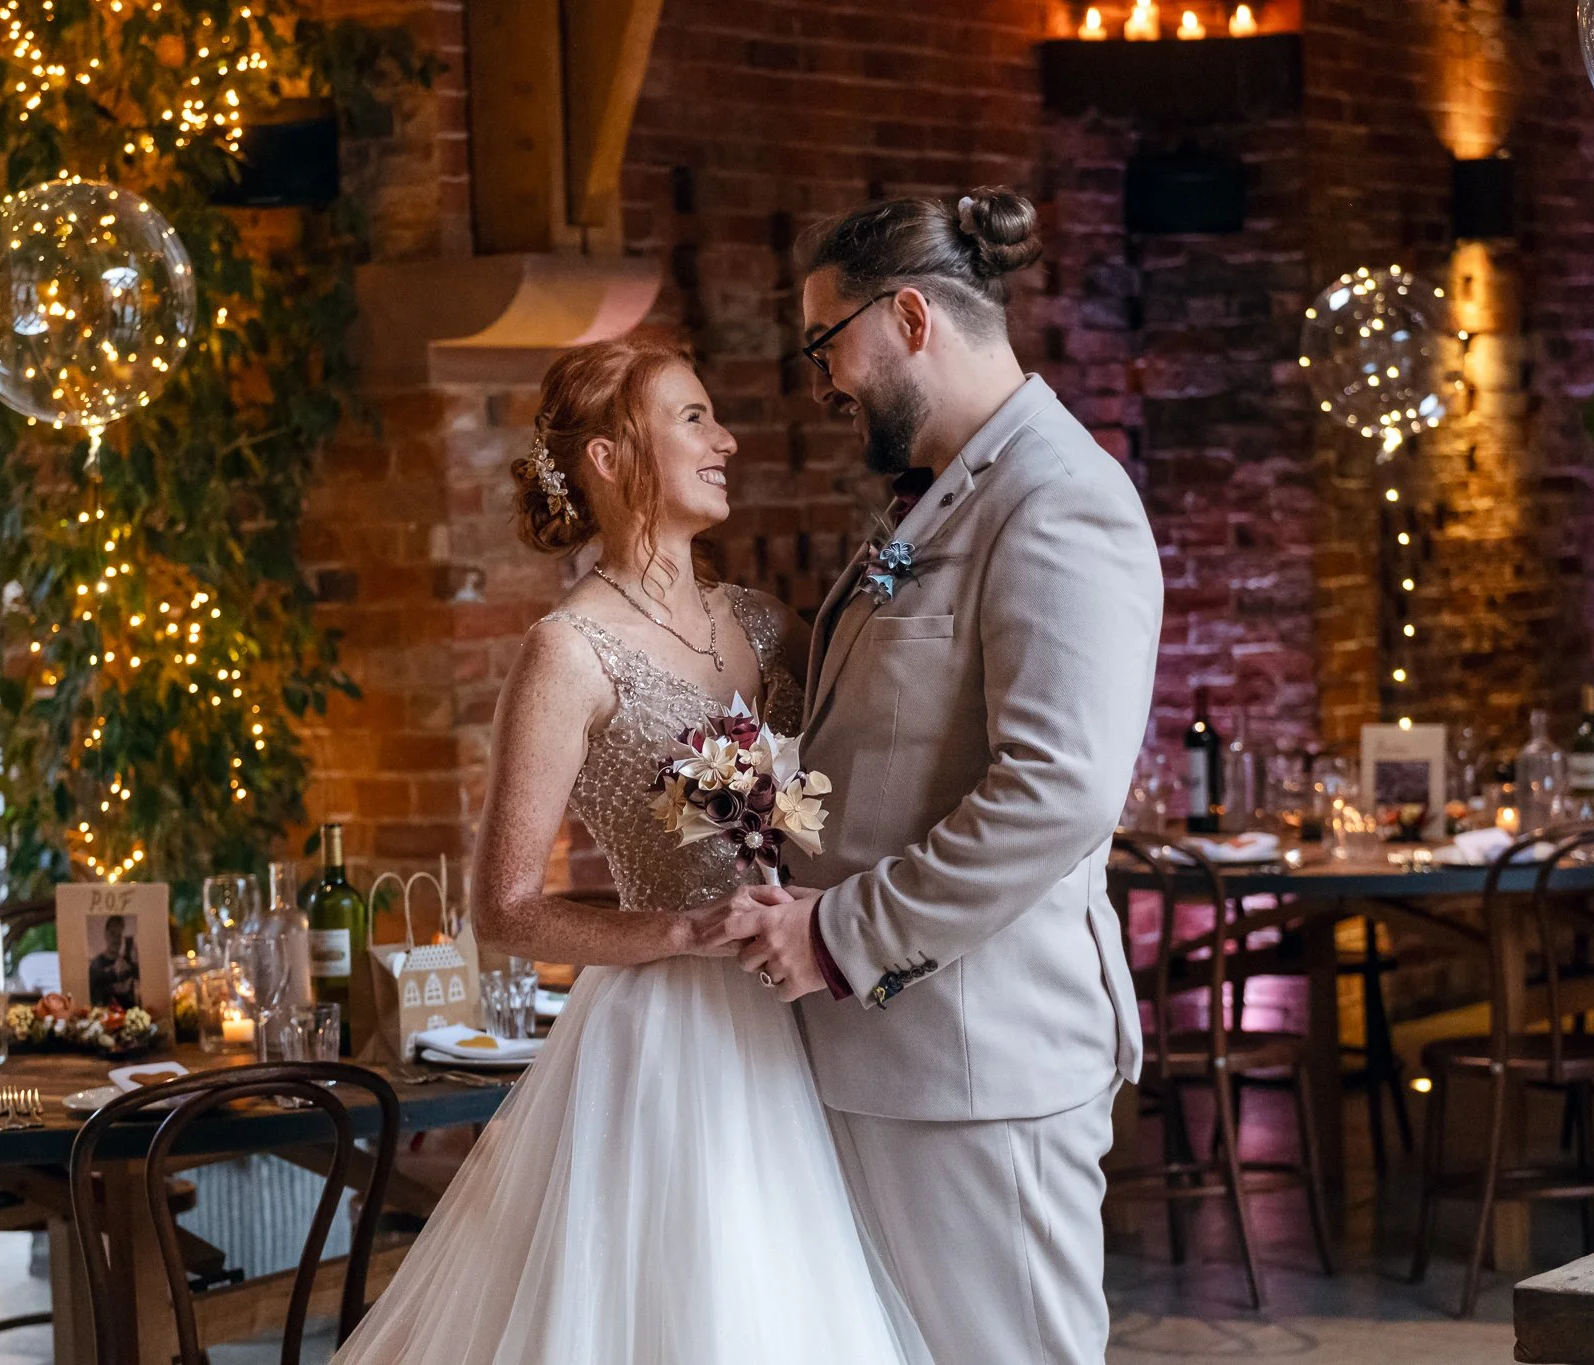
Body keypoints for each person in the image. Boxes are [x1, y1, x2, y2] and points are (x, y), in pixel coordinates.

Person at [330, 338, 930, 1364]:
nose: (725, 439)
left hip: (811, 1013)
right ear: (609, 458)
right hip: (673, 1042)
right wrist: (682, 929)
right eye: (692, 418)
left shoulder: (765, 624)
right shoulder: (567, 652)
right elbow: (505, 908)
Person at [728, 187, 1163, 1364]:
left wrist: (836, 933)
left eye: (827, 344)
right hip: (887, 1059)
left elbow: (1053, 794)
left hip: (980, 1065)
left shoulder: (1059, 498)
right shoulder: (941, 495)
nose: (819, 380)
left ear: (909, 317)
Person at [86, 914, 139, 1010]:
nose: (116, 939)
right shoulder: (96, 966)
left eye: (119, 935)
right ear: (106, 934)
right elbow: (93, 1000)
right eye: (112, 933)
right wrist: (113, 988)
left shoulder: (127, 963)